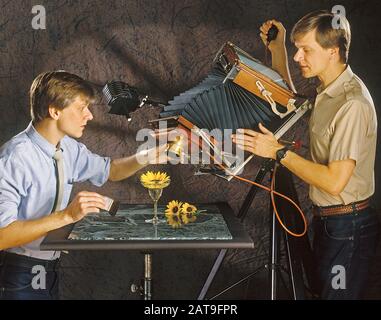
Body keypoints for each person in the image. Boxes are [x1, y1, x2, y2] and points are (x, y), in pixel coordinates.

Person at [232, 10, 379, 299]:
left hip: (348, 228)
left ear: (332, 52)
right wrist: (277, 50)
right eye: (296, 49)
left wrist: (277, 152)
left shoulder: (352, 104)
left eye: (306, 50)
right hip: (330, 223)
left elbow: (335, 182)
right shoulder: (329, 90)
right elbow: (289, 103)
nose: (298, 57)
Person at [0, 71, 168, 300]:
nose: (89, 115)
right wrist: (67, 216)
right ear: (55, 110)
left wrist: (147, 156)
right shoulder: (14, 158)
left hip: (49, 269)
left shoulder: (68, 148)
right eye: (81, 108)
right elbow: (2, 236)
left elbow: (112, 170)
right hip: (20, 272)